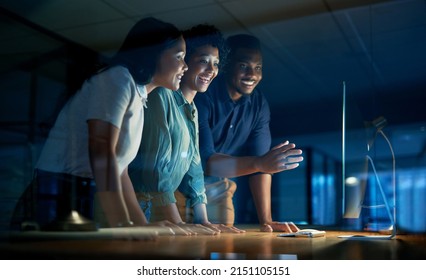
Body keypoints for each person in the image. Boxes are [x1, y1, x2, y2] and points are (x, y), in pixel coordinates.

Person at [12, 17, 189, 235]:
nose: (185, 66)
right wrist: (122, 224)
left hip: (80, 191)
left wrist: (140, 226)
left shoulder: (138, 94)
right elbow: (101, 149)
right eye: (180, 57)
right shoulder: (117, 79)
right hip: (57, 191)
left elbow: (120, 168)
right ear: (153, 53)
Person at [129, 24, 244, 235]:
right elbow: (157, 168)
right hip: (135, 207)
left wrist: (204, 221)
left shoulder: (192, 108)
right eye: (203, 61)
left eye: (216, 64)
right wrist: (178, 221)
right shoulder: (161, 95)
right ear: (184, 62)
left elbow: (194, 167)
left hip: (159, 207)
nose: (211, 71)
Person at [192, 34, 304, 232]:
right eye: (244, 66)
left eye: (258, 67)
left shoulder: (259, 105)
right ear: (226, 65)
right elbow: (206, 162)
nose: (252, 74)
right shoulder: (203, 95)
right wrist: (260, 163)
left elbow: (262, 166)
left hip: (219, 187)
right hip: (182, 184)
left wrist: (266, 220)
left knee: (223, 245)